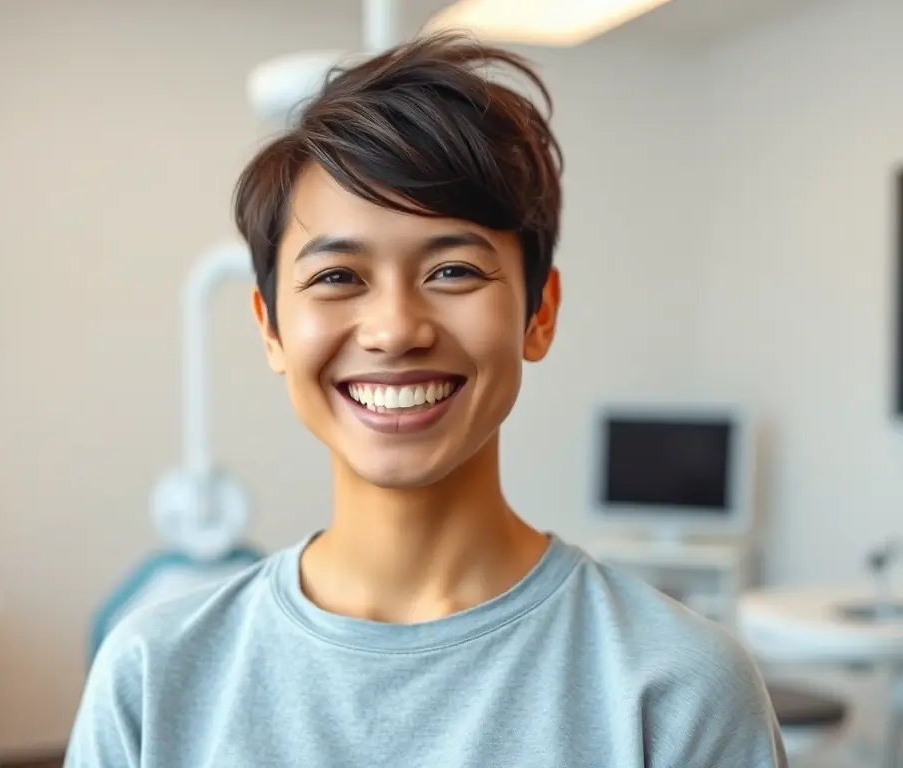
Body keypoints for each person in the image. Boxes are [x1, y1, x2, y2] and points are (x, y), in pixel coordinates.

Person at [64, 32, 787, 768]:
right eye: (338, 277)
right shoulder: (154, 679)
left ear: (540, 313)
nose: (395, 330)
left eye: (452, 271)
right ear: (271, 328)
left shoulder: (678, 692)